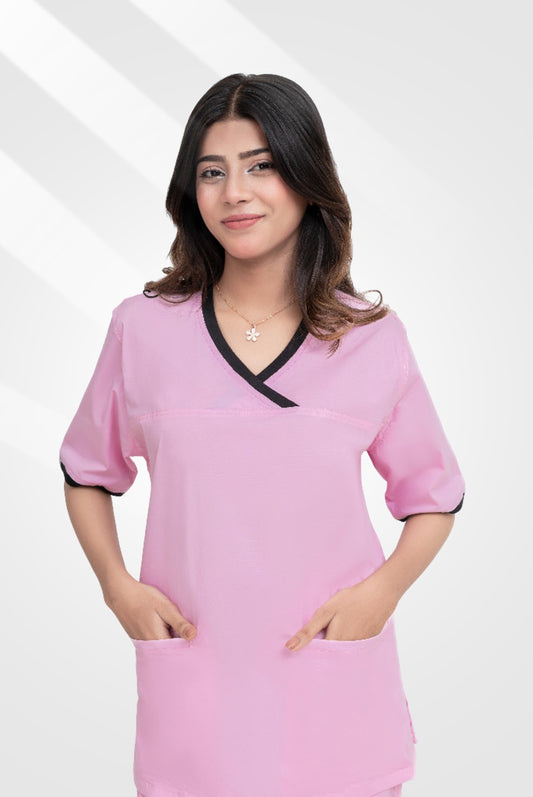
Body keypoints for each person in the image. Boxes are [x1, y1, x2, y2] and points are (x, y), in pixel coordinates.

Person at [59, 73, 465, 797]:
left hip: (333, 681)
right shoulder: (142, 329)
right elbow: (88, 472)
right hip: (196, 692)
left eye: (261, 166)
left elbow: (432, 496)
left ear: (307, 179)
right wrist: (116, 587)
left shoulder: (370, 339)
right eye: (212, 172)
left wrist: (381, 593)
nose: (235, 193)